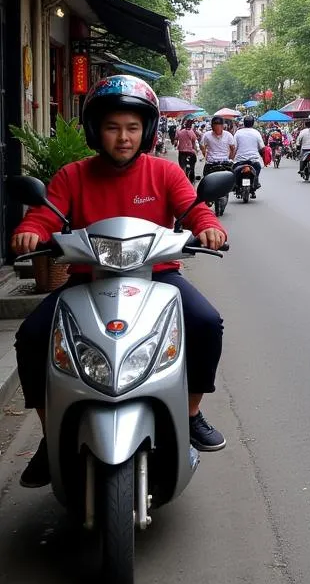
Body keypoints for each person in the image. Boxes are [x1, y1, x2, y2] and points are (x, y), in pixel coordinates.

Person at [11, 75, 228, 488]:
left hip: (158, 280)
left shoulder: (164, 174)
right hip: (86, 281)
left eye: (132, 128)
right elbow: (45, 215)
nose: (123, 138)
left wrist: (210, 227)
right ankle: (48, 433)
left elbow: (195, 211)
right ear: (96, 130)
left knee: (205, 322)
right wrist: (30, 231)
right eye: (113, 128)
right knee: (32, 336)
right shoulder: (73, 176)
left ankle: (191, 413)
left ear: (146, 131)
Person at [232, 115, 265, 189]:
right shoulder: (256, 133)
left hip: (239, 160)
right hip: (254, 160)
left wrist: (231, 158)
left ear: (244, 123)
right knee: (258, 169)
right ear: (253, 123)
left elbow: (234, 147)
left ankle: (235, 184)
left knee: (234, 172)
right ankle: (256, 181)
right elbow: (262, 147)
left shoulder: (238, 133)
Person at [175, 117, 199, 182]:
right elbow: (194, 141)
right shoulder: (191, 132)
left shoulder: (180, 131)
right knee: (192, 166)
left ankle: (183, 180)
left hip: (181, 151)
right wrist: (194, 149)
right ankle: (192, 179)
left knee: (182, 167)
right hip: (190, 152)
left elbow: (176, 139)